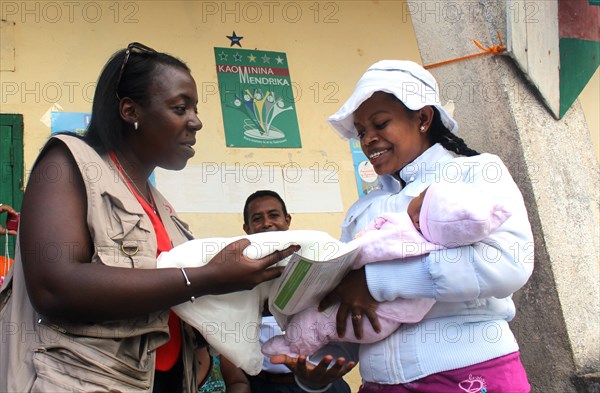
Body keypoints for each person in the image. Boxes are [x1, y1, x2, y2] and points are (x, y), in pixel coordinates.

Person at [0, 42, 298, 393]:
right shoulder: (68, 163)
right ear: (130, 111)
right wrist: (204, 277)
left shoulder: (163, 209)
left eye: (195, 108)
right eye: (180, 107)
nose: (196, 121)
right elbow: (54, 287)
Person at [271, 60, 534, 393]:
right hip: (380, 383)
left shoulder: (475, 172)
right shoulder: (361, 211)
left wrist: (376, 282)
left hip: (468, 372)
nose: (368, 139)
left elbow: (508, 263)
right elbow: (348, 308)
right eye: (361, 131)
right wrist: (318, 366)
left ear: (423, 118)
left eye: (380, 124)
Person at [262, 179, 512, 358]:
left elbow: (366, 250)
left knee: (318, 319)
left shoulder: (405, 233)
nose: (369, 139)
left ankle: (293, 345)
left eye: (423, 196)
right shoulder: (440, 244)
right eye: (360, 132)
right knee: (324, 324)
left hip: (377, 319)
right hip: (384, 327)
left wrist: (353, 274)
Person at [242, 190, 351, 393]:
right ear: (247, 228)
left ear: (287, 219)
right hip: (266, 386)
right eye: (257, 219)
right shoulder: (240, 275)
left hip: (323, 383)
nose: (267, 223)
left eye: (273, 215)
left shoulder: (316, 258)